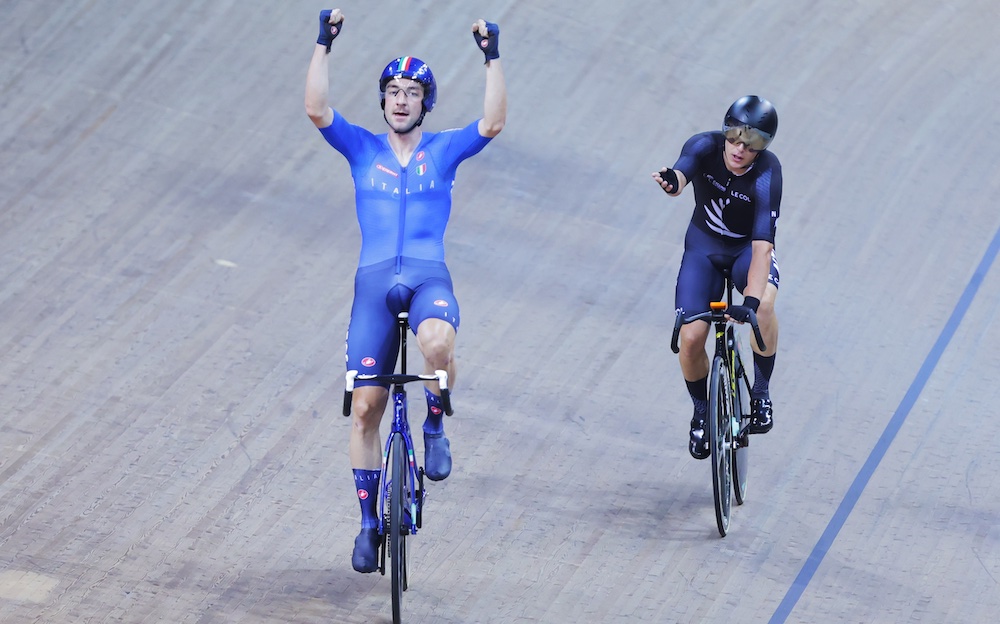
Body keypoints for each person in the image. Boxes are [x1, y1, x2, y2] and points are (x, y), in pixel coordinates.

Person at [305, 9, 506, 572]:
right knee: (365, 410)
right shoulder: (361, 148)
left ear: (426, 103)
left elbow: (491, 123)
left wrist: (492, 58)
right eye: (392, 91)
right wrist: (323, 44)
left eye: (411, 92)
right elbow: (316, 108)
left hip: (425, 279)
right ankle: (369, 524)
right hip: (373, 288)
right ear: (383, 100)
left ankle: (435, 418)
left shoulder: (441, 151)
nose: (400, 99)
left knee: (438, 344)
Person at [652, 95, 782, 460]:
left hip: (745, 252)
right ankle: (702, 412)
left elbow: (762, 248)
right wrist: (671, 181)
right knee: (691, 338)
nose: (740, 147)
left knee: (766, 308)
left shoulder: (767, 173)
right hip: (704, 251)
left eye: (752, 141)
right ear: (724, 131)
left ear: (763, 147)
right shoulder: (704, 145)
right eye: (734, 136)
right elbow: (682, 174)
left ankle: (759, 391)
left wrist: (751, 304)